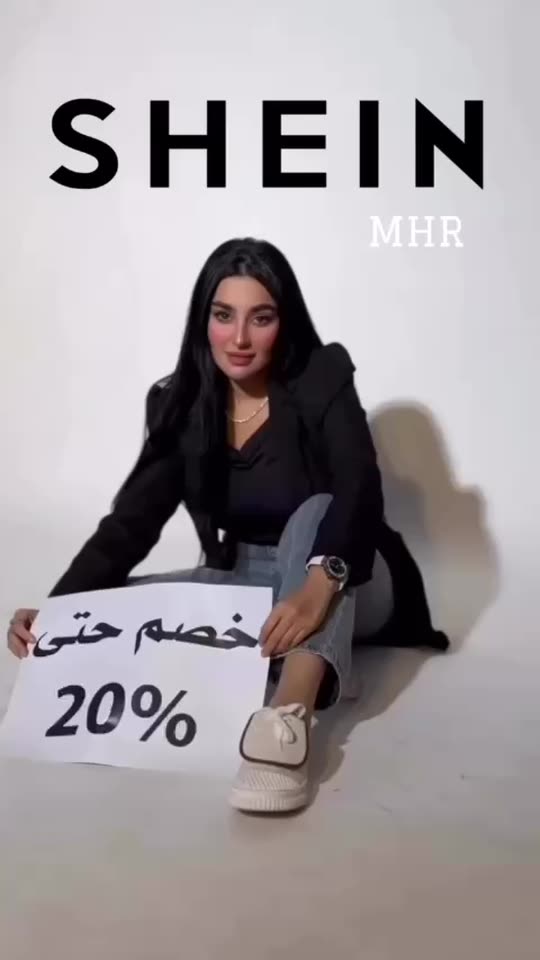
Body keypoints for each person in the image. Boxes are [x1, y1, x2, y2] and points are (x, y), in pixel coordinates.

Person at [6, 237, 448, 814]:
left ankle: (287, 718)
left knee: (315, 510)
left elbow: (358, 487)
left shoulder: (321, 375)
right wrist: (62, 611)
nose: (239, 338)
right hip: (250, 581)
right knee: (126, 608)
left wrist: (318, 586)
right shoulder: (179, 403)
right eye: (223, 316)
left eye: (260, 318)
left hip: (352, 573)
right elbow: (130, 524)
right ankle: (313, 656)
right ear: (204, 320)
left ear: (283, 322)